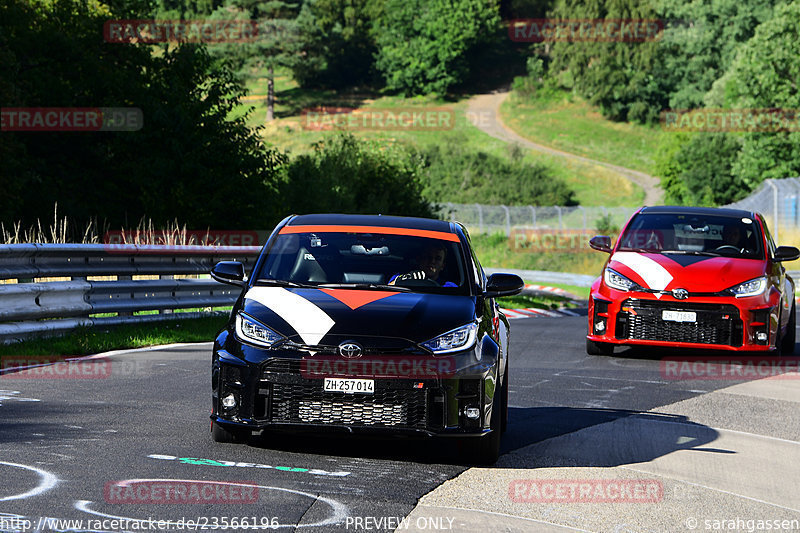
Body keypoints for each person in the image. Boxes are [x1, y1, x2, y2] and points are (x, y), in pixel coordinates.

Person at [389, 242, 457, 287]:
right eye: (428, 257)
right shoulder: (399, 277)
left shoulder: (449, 286)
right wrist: (402, 280)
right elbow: (386, 291)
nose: (432, 261)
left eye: (438, 258)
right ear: (419, 260)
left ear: (443, 266)